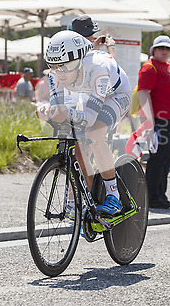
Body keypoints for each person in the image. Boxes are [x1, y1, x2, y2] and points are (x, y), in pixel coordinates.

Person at [36, 30, 131, 215]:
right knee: (78, 147)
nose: (59, 73)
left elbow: (90, 117)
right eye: (54, 66)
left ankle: (114, 197)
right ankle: (85, 201)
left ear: (79, 61)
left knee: (94, 133)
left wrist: (68, 112)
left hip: (117, 94)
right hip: (92, 94)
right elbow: (58, 108)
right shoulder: (55, 73)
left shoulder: (100, 67)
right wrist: (48, 112)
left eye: (65, 66)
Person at [137, 35, 170, 209]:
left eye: (167, 48)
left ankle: (160, 195)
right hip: (162, 120)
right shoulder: (150, 68)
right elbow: (143, 94)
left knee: (167, 158)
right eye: (161, 48)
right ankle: (151, 196)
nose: (164, 51)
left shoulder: (167, 66)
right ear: (154, 50)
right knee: (158, 158)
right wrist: (150, 122)